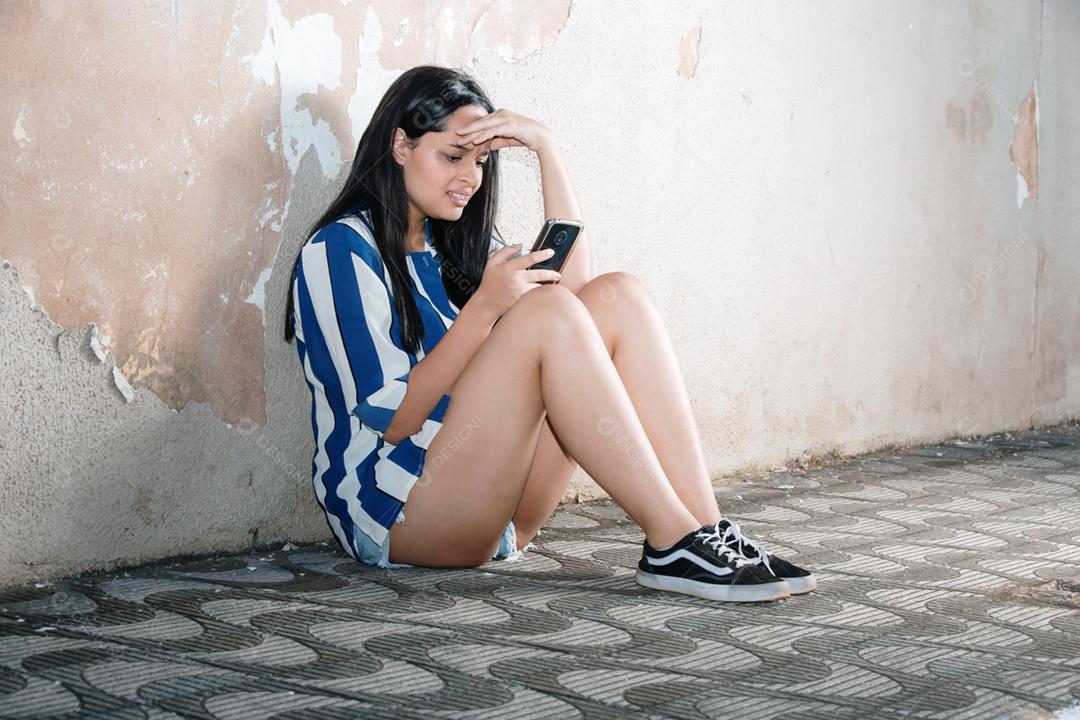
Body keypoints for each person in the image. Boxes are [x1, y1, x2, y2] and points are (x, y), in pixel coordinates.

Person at [283, 64, 816, 602]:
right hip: (398, 513)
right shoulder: (339, 252)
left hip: (498, 512)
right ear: (401, 145)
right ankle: (671, 540)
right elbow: (394, 421)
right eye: (452, 156)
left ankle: (703, 531)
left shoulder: (456, 247)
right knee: (545, 313)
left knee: (619, 296)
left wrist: (547, 150)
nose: (470, 177)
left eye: (482, 160)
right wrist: (483, 310)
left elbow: (579, 306)